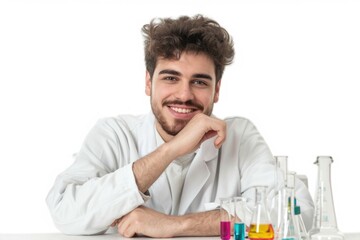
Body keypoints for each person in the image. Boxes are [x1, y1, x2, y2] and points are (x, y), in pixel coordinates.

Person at [46, 14, 314, 237]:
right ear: (148, 83)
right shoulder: (114, 135)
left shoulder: (239, 137)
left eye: (199, 82)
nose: (184, 95)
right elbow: (65, 212)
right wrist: (171, 150)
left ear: (216, 90)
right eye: (171, 78)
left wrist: (176, 225)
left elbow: (295, 214)